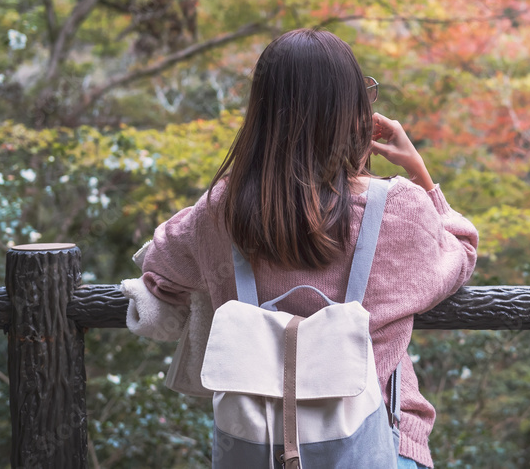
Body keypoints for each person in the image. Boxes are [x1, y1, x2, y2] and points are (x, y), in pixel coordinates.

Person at [138, 28, 479, 469]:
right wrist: (421, 174)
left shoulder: (221, 209)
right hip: (380, 445)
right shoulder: (397, 206)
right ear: (354, 109)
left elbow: (160, 261)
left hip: (258, 449)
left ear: (261, 111)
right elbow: (461, 251)